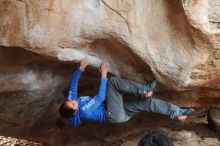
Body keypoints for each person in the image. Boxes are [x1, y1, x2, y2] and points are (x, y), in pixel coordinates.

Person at [57, 57, 194, 128]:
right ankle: (143, 90)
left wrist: (81, 68)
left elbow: (73, 83)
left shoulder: (72, 100)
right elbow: (100, 97)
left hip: (120, 113)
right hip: (113, 114)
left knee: (147, 103)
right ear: (75, 112)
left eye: (71, 101)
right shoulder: (84, 111)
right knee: (113, 82)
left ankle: (177, 113)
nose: (74, 101)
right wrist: (104, 74)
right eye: (74, 105)